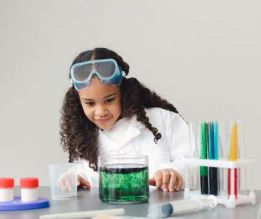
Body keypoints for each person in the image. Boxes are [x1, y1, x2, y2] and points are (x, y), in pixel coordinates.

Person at [60, 48, 192, 192]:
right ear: (79, 102)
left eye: (109, 100)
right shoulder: (84, 140)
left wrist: (174, 172)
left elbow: (197, 162)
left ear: (123, 92)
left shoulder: (163, 120)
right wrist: (74, 178)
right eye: (90, 103)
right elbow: (90, 181)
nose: (100, 111)